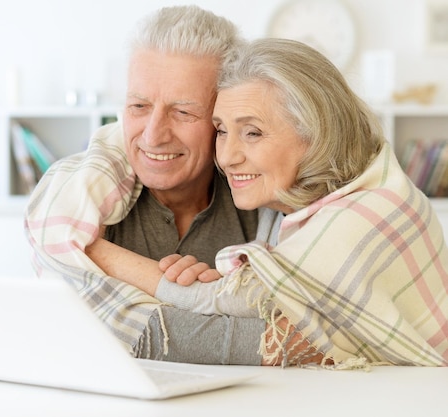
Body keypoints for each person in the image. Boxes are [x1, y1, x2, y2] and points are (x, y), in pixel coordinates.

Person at [94, 38, 448, 367]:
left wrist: (89, 251)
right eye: (221, 131)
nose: (227, 158)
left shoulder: (367, 213)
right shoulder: (288, 208)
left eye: (253, 132)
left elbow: (229, 301)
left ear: (316, 133)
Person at [25, 6, 298, 366]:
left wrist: (115, 266)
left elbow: (305, 333)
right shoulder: (74, 198)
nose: (153, 135)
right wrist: (220, 307)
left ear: (223, 119)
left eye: (183, 112)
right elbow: (74, 331)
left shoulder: (265, 198)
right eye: (139, 106)